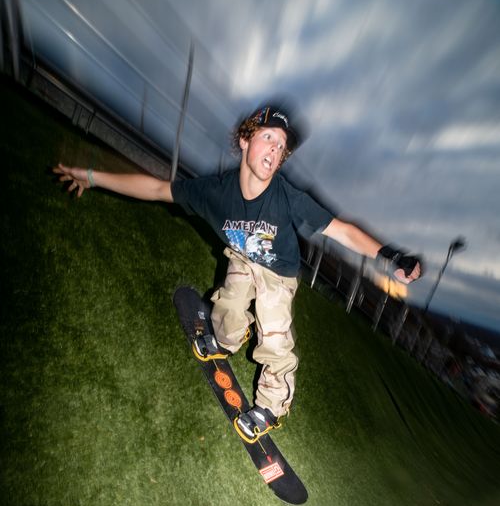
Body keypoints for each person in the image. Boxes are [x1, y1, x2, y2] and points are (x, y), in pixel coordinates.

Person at [54, 105, 422, 443]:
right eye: (268, 138)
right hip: (243, 259)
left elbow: (342, 231)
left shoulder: (288, 198)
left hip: (279, 274)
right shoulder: (214, 192)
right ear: (245, 140)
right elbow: (156, 188)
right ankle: (227, 339)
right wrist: (92, 176)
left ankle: (272, 407)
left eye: (281, 147)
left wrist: (391, 256)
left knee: (274, 337)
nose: (275, 150)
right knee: (228, 307)